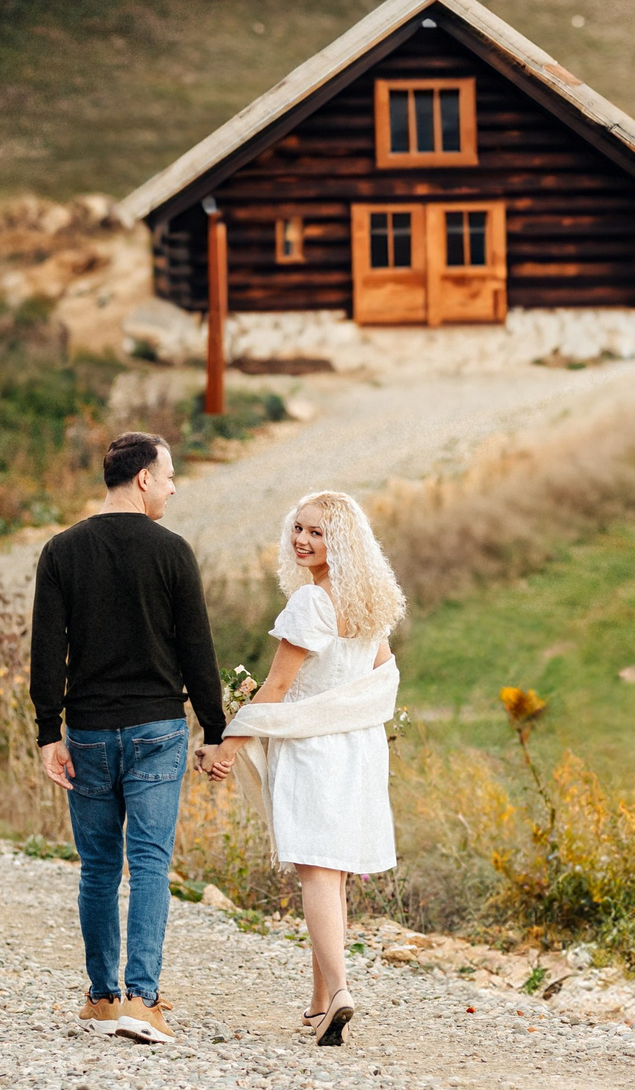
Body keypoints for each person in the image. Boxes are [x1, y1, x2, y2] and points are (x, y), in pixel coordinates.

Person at [31, 431, 229, 1045]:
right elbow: (197, 650)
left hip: (88, 732)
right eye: (168, 476)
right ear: (143, 479)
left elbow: (46, 650)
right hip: (157, 731)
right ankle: (143, 1002)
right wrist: (216, 730)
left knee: (97, 867)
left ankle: (101, 997)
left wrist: (48, 732)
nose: (172, 487)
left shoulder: (61, 551)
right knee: (148, 864)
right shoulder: (172, 552)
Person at [213, 490, 404, 1046]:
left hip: (315, 752)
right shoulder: (368, 602)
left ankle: (340, 991)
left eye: (317, 533)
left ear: (339, 542)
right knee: (334, 872)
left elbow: (277, 687)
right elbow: (382, 682)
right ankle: (320, 999)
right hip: (359, 749)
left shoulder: (311, 604)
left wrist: (227, 745)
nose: (301, 539)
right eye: (298, 528)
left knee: (315, 872)